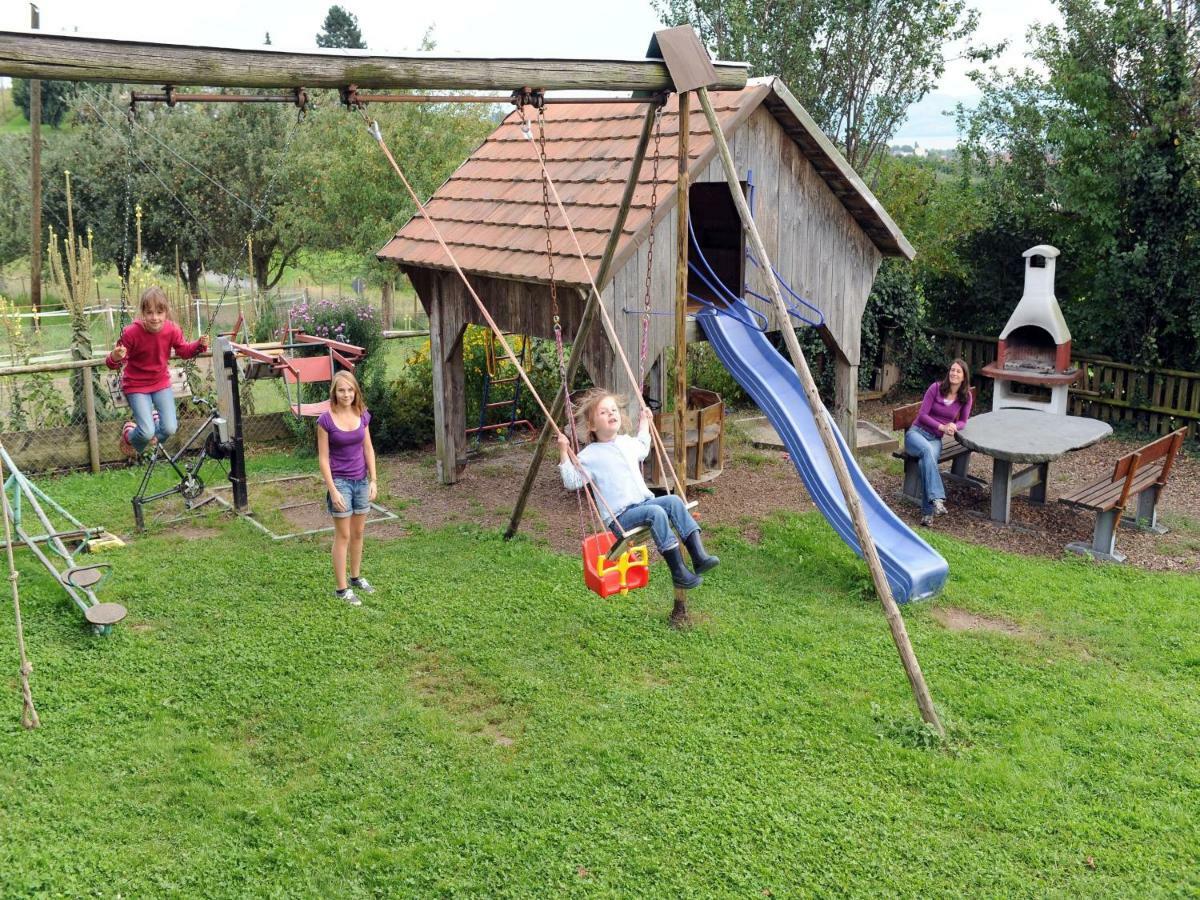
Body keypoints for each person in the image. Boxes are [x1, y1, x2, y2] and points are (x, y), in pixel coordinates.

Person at [557, 388, 718, 589]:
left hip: (644, 504)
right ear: (591, 425)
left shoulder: (626, 442)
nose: (611, 414)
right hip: (621, 517)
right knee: (656, 512)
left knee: (674, 501)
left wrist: (644, 423)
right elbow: (572, 481)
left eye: (614, 410)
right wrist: (564, 452)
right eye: (604, 412)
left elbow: (643, 447)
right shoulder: (590, 455)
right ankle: (679, 572)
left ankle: (699, 556)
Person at [106, 286, 209, 458]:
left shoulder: (172, 330)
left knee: (169, 428)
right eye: (150, 313)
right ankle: (129, 434)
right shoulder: (131, 333)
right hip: (136, 386)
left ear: (166, 312)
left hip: (160, 383)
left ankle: (150, 431)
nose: (155, 318)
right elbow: (112, 364)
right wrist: (115, 357)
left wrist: (199, 344)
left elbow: (183, 351)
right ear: (143, 313)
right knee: (146, 432)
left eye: (159, 312)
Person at [317, 370, 378, 606]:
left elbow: (368, 449)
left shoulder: (362, 415)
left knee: (359, 532)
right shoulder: (326, 420)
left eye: (350, 390)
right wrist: (333, 490)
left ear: (356, 391)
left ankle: (355, 577)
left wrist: (374, 480)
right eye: (341, 390)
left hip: (361, 480)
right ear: (334, 392)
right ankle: (342, 589)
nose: (346, 394)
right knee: (343, 535)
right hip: (340, 482)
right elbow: (323, 459)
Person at [905, 358, 973, 526]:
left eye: (958, 371)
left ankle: (928, 515)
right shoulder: (935, 388)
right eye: (952, 370)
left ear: (964, 377)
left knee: (925, 463)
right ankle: (937, 499)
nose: (954, 373)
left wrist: (954, 426)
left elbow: (964, 421)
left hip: (935, 439)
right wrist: (942, 427)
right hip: (916, 435)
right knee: (927, 452)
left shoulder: (965, 397)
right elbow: (922, 415)